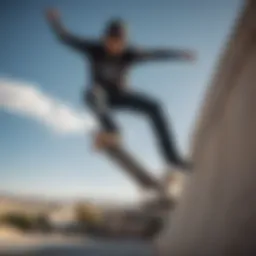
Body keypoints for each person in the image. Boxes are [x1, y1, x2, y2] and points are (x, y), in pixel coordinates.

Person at [45, 8, 195, 170]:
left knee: (155, 107)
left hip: (122, 96)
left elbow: (156, 54)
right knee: (90, 93)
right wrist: (55, 22)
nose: (113, 47)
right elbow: (67, 38)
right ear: (104, 39)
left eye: (118, 44)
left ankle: (172, 159)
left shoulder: (130, 54)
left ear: (124, 43)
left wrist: (179, 54)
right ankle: (111, 129)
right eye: (110, 42)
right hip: (101, 98)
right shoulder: (94, 49)